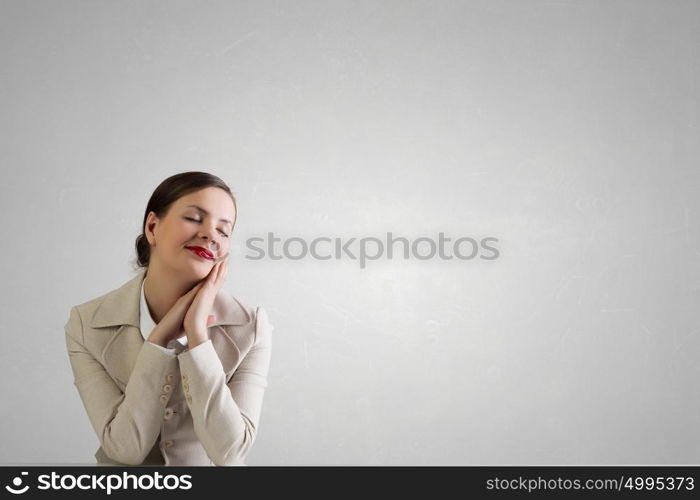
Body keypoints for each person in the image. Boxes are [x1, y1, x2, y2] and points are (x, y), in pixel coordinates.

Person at [64, 171, 273, 466]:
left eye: (224, 231)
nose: (210, 234)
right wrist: (159, 341)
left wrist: (198, 335)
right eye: (194, 218)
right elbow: (125, 449)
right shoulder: (87, 324)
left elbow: (230, 453)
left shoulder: (251, 327)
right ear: (152, 227)